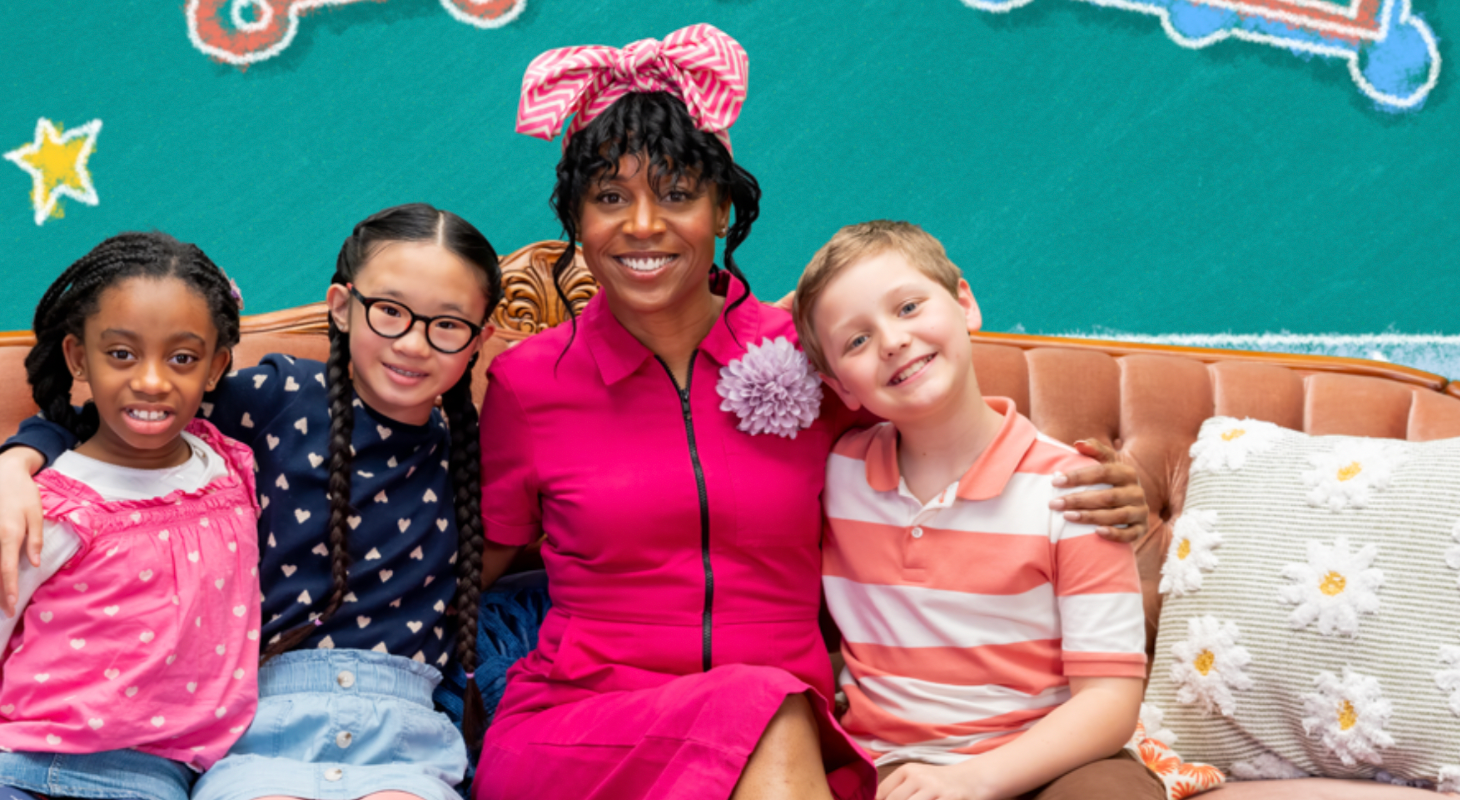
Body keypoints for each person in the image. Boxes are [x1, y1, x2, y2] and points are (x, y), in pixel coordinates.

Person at [471, 24, 1152, 800]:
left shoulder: (810, 355)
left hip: (789, 733)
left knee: (769, 705)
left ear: (722, 209)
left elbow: (947, 435)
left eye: (678, 193)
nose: (644, 224)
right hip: (585, 728)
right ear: (576, 221)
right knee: (766, 706)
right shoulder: (529, 383)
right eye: (609, 198)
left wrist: (1108, 489)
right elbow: (472, 567)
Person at [0, 204, 503, 800]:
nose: (413, 343)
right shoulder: (278, 398)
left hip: (403, 737)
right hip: (257, 725)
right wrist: (12, 465)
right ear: (342, 306)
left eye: (447, 325)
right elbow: (112, 421)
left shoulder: (471, 454)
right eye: (390, 311)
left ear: (480, 339)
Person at [0, 232, 262, 800]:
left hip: (146, 783)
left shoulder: (231, 469)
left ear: (215, 367)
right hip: (8, 769)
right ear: (79, 358)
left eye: (181, 358)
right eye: (122, 354)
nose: (151, 381)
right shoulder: (42, 509)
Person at [793, 221, 1161, 800]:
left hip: (1056, 757)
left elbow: (1108, 702)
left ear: (965, 303)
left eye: (908, 307)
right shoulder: (834, 475)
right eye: (856, 341)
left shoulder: (1077, 490)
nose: (892, 341)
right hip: (899, 764)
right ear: (839, 384)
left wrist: (974, 779)